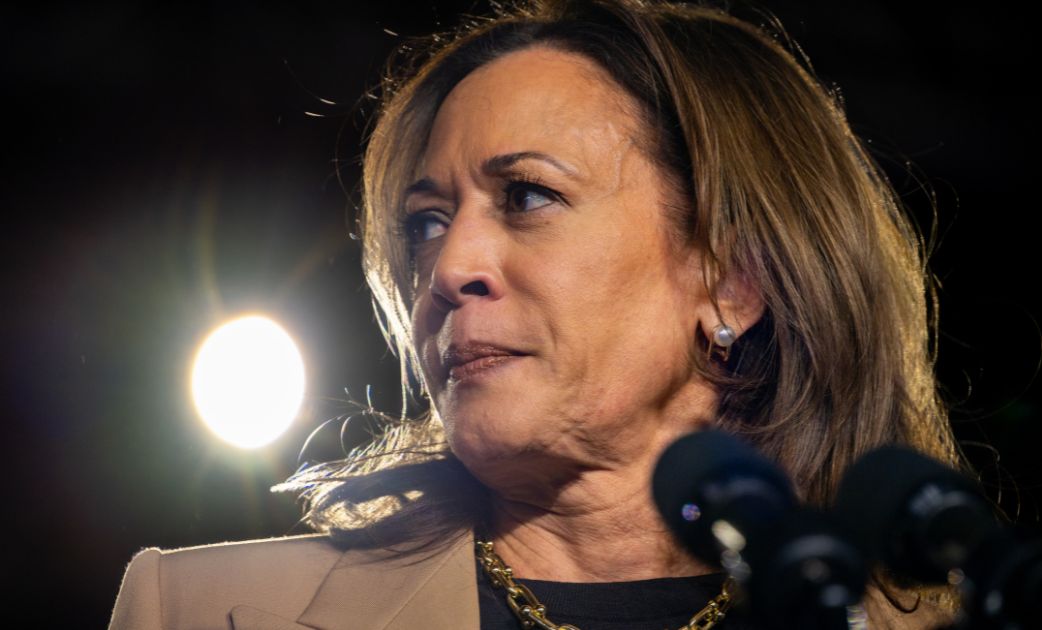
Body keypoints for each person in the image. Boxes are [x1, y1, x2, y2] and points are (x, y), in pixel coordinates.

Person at [109, 0, 969, 628]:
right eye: (425, 224)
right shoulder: (192, 609)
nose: (448, 268)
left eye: (527, 196)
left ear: (732, 282)